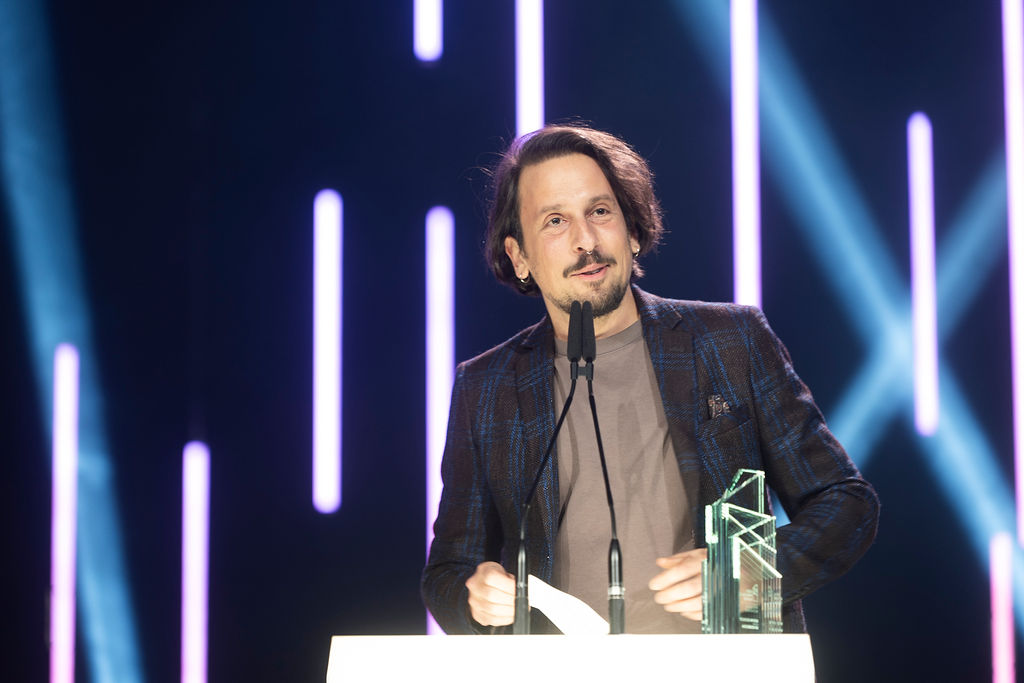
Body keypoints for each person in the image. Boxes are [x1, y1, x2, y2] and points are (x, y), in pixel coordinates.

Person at [421, 124, 879, 634]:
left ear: (633, 231)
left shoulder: (731, 341)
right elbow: (447, 574)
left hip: (723, 662)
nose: (585, 241)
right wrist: (476, 599)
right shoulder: (486, 387)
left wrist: (749, 574)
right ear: (519, 256)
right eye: (555, 221)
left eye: (600, 212)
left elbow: (846, 503)